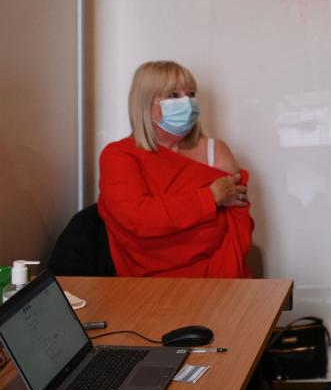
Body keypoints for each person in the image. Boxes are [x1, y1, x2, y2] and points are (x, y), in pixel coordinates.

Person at [98, 60, 253, 278]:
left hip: (218, 281)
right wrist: (211, 197)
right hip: (147, 288)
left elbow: (237, 229)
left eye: (191, 94)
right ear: (146, 105)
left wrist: (170, 219)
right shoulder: (119, 156)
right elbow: (140, 220)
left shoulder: (215, 150)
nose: (187, 102)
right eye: (173, 95)